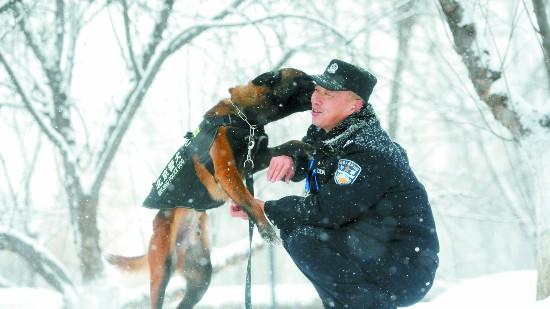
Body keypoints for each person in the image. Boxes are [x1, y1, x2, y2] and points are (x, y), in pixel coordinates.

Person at [230, 59, 439, 308]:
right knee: (299, 233)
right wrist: (291, 157)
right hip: (374, 251)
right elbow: (313, 155)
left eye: (328, 94)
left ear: (354, 106)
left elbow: (326, 211)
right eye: (317, 90)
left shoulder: (369, 151)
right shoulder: (336, 135)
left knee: (304, 235)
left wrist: (263, 208)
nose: (316, 99)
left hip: (404, 267)